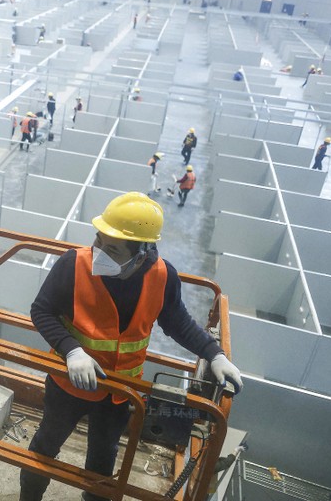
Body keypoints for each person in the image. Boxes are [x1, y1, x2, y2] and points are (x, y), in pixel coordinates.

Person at [19, 192, 242, 501]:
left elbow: (177, 322)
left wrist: (213, 354)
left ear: (142, 253)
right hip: (69, 384)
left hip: (119, 392)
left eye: (112, 249)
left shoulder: (163, 277)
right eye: (98, 240)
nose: (99, 252)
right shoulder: (73, 265)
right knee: (45, 445)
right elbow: (40, 311)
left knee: (103, 461)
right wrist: (72, 350)